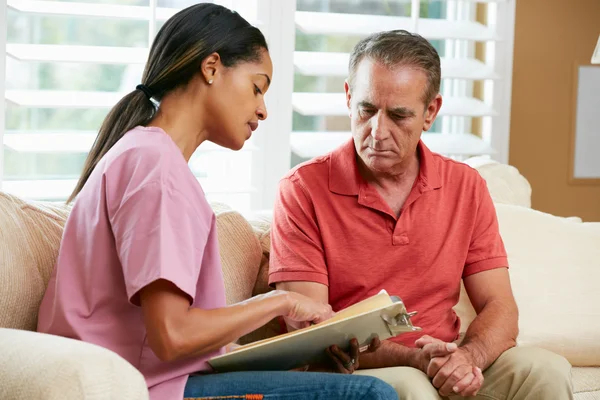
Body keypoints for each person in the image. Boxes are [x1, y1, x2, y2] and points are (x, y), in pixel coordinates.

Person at [36, 4, 399, 400]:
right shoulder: (155, 166)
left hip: (156, 378)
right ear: (211, 67)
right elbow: (172, 336)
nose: (262, 109)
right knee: (368, 394)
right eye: (257, 87)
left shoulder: (145, 155)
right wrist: (281, 301)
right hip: (146, 389)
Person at [269, 30, 574, 399]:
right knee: (414, 389)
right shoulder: (302, 190)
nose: (377, 131)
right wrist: (417, 359)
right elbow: (312, 335)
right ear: (348, 97)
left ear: (431, 112)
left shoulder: (465, 186)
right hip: (363, 372)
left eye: (399, 115)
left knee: (546, 371)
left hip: (445, 359)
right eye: (366, 109)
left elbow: (500, 307)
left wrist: (467, 359)